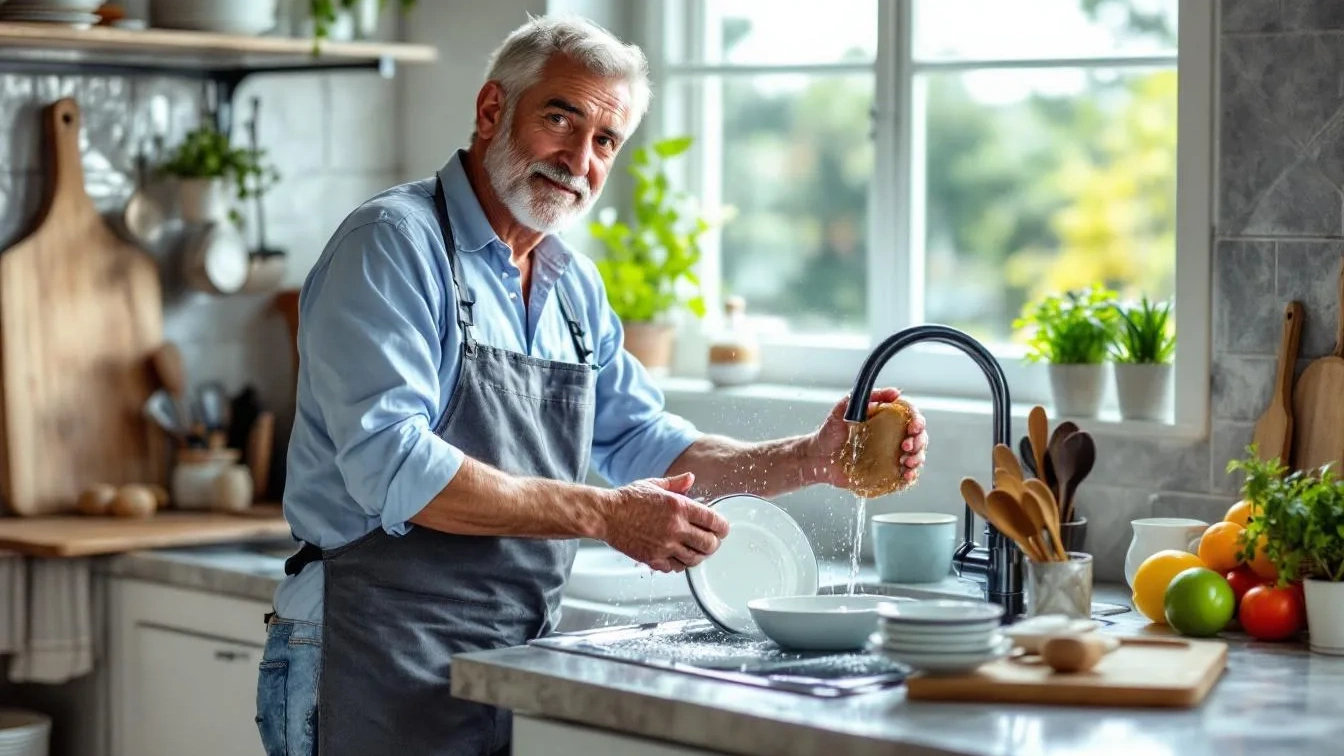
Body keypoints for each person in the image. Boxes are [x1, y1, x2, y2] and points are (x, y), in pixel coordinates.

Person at [254, 14, 928, 756]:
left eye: (605, 141)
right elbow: (394, 467)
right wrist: (606, 515)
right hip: (370, 647)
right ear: (490, 111)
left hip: (509, 659)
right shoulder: (394, 245)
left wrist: (810, 458)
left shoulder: (572, 287)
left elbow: (648, 446)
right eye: (559, 119)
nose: (579, 158)